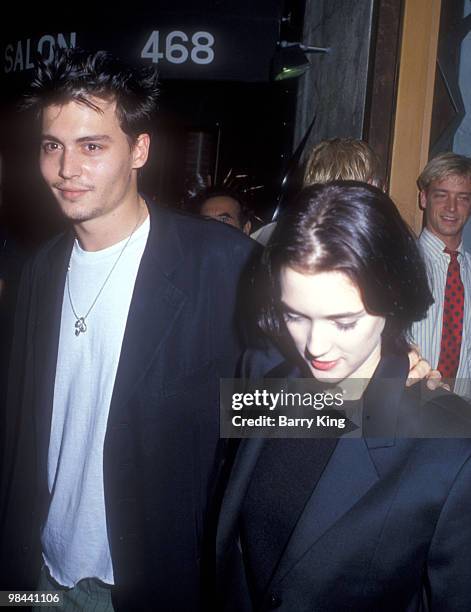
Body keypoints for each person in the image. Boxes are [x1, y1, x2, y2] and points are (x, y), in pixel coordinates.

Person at [0, 49, 257, 611]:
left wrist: (374, 387)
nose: (67, 169)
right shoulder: (38, 269)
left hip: (150, 586)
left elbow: (279, 413)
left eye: (92, 146)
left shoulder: (223, 266)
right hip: (36, 580)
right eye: (53, 146)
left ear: (139, 149)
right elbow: (20, 430)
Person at [216, 182, 471, 611]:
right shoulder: (265, 377)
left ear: (392, 299)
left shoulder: (453, 445)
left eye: (345, 321)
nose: (315, 346)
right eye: (294, 315)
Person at [411, 152, 471, 398]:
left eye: (463, 198)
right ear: (424, 198)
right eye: (441, 195)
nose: (452, 208)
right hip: (407, 418)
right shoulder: (400, 265)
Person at [251, 137, 383, 246]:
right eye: (381, 184)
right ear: (372, 185)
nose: (384, 190)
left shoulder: (270, 236)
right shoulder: (375, 246)